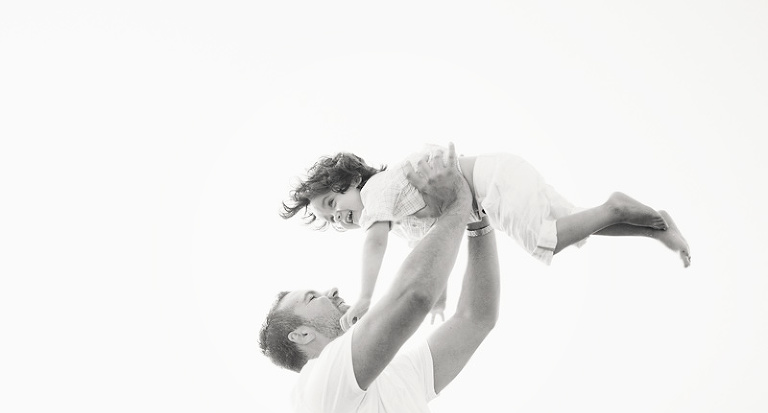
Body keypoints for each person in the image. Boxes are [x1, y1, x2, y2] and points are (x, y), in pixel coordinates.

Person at [259, 143, 500, 413]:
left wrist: (478, 222)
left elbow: (476, 318)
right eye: (313, 297)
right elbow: (415, 296)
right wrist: (456, 205)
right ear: (302, 334)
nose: (333, 290)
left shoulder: (395, 374)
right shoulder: (318, 387)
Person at [282, 143, 691, 329]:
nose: (340, 218)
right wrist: (438, 300)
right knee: (576, 228)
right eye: (329, 219)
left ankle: (615, 205)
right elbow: (431, 255)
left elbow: (375, 243)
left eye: (333, 205)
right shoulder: (405, 216)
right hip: (501, 178)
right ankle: (655, 225)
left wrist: (368, 296)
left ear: (352, 181)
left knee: (543, 241)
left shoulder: (377, 191)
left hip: (494, 182)